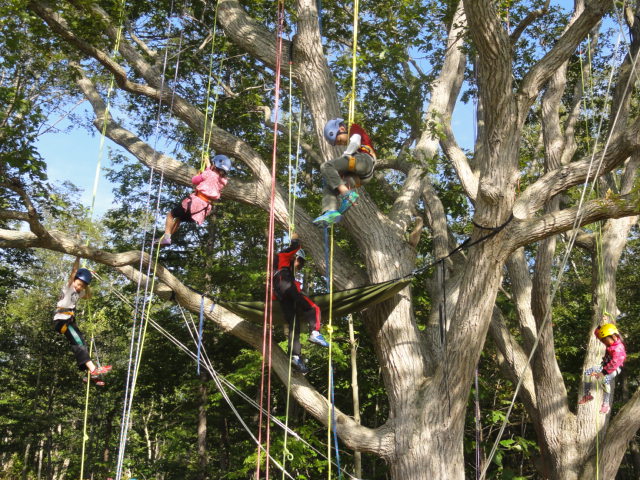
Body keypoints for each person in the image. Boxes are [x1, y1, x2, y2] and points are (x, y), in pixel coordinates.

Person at [273, 233, 329, 374]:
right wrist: (295, 238)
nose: (300, 266)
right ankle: (315, 332)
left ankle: (295, 356)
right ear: (295, 257)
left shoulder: (284, 272)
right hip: (284, 284)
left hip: (282, 293)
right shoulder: (283, 257)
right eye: (300, 262)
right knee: (313, 308)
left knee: (294, 326)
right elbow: (295, 246)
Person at [53, 257, 111, 385]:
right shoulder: (69, 288)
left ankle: (90, 375)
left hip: (69, 320)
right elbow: (74, 271)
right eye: (79, 284)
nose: (79, 287)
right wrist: (78, 257)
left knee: (80, 344)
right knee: (79, 342)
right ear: (74, 281)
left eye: (82, 286)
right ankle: (93, 369)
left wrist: (88, 283)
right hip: (62, 320)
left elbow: (89, 296)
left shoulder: (79, 292)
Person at [313, 118, 376, 227]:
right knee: (330, 185)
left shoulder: (354, 128)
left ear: (342, 128)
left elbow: (355, 142)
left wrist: (345, 155)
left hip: (364, 160)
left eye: (339, 140)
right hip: (361, 176)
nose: (341, 144)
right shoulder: (350, 149)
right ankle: (330, 211)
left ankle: (347, 195)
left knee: (326, 166)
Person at [160, 154, 231, 246]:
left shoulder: (208, 173)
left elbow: (194, 180)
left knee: (170, 215)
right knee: (179, 218)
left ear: (215, 165)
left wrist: (199, 175)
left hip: (194, 204)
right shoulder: (222, 182)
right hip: (202, 210)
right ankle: (167, 238)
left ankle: (167, 238)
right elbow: (213, 177)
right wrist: (208, 165)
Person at [578, 322, 626, 414]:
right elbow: (598, 333)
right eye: (603, 341)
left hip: (615, 368)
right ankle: (587, 395)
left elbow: (615, 363)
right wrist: (600, 326)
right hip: (604, 367)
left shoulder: (618, 348)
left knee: (605, 380)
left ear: (614, 336)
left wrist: (602, 373)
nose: (604, 343)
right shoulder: (611, 343)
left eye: (605, 340)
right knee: (587, 373)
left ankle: (606, 404)